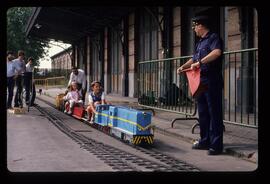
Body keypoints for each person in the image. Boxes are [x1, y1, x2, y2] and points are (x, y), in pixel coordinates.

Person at [177, 15, 224, 155]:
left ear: (201, 26)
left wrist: (201, 62)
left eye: (195, 26)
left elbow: (217, 52)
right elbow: (194, 58)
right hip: (200, 81)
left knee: (214, 112)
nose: (194, 29)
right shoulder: (200, 43)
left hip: (211, 80)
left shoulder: (213, 38)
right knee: (203, 112)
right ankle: (205, 140)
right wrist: (183, 66)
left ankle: (216, 145)